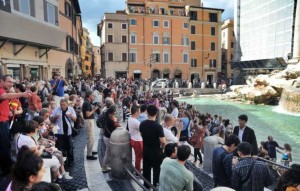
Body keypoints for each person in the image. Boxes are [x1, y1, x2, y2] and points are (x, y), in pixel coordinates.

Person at [0, 75, 31, 174]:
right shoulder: (1, 90)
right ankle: (7, 169)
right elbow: (3, 97)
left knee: (5, 145)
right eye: (9, 81)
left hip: (4, 121)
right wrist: (21, 94)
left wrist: (9, 112)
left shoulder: (4, 91)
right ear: (2, 81)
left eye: (12, 82)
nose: (11, 84)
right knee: (4, 145)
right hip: (2, 122)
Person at [140, 105, 166, 188]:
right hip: (156, 152)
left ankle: (146, 187)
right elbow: (163, 141)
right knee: (156, 170)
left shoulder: (142, 124)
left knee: (146, 170)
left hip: (146, 150)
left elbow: (141, 135)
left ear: (147, 113)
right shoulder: (158, 126)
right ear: (156, 113)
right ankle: (156, 186)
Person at [50, 99, 77, 167]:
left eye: (64, 105)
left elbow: (75, 119)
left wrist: (70, 116)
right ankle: (62, 161)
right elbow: (51, 120)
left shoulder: (71, 109)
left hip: (68, 132)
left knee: (70, 147)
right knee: (60, 147)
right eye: (61, 104)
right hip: (59, 132)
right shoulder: (56, 109)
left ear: (67, 104)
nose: (62, 106)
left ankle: (71, 160)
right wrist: (55, 117)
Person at [102, 105, 121, 172]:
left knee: (108, 152)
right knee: (108, 152)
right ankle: (104, 166)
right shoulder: (110, 120)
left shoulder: (107, 117)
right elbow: (118, 126)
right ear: (112, 112)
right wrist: (115, 121)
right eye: (115, 112)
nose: (115, 113)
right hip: (108, 138)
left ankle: (106, 165)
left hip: (106, 137)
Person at [82, 90, 99, 160]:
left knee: (91, 138)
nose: (93, 96)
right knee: (91, 138)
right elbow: (88, 114)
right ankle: (89, 154)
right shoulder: (87, 103)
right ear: (89, 96)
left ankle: (90, 151)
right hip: (88, 121)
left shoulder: (87, 102)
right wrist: (94, 110)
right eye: (92, 95)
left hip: (89, 121)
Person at [128, 106, 143, 172]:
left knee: (138, 157)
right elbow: (142, 130)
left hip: (133, 139)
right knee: (138, 157)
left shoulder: (130, 118)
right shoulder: (136, 122)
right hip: (137, 140)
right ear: (136, 112)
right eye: (139, 111)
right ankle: (138, 172)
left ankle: (138, 168)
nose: (140, 112)